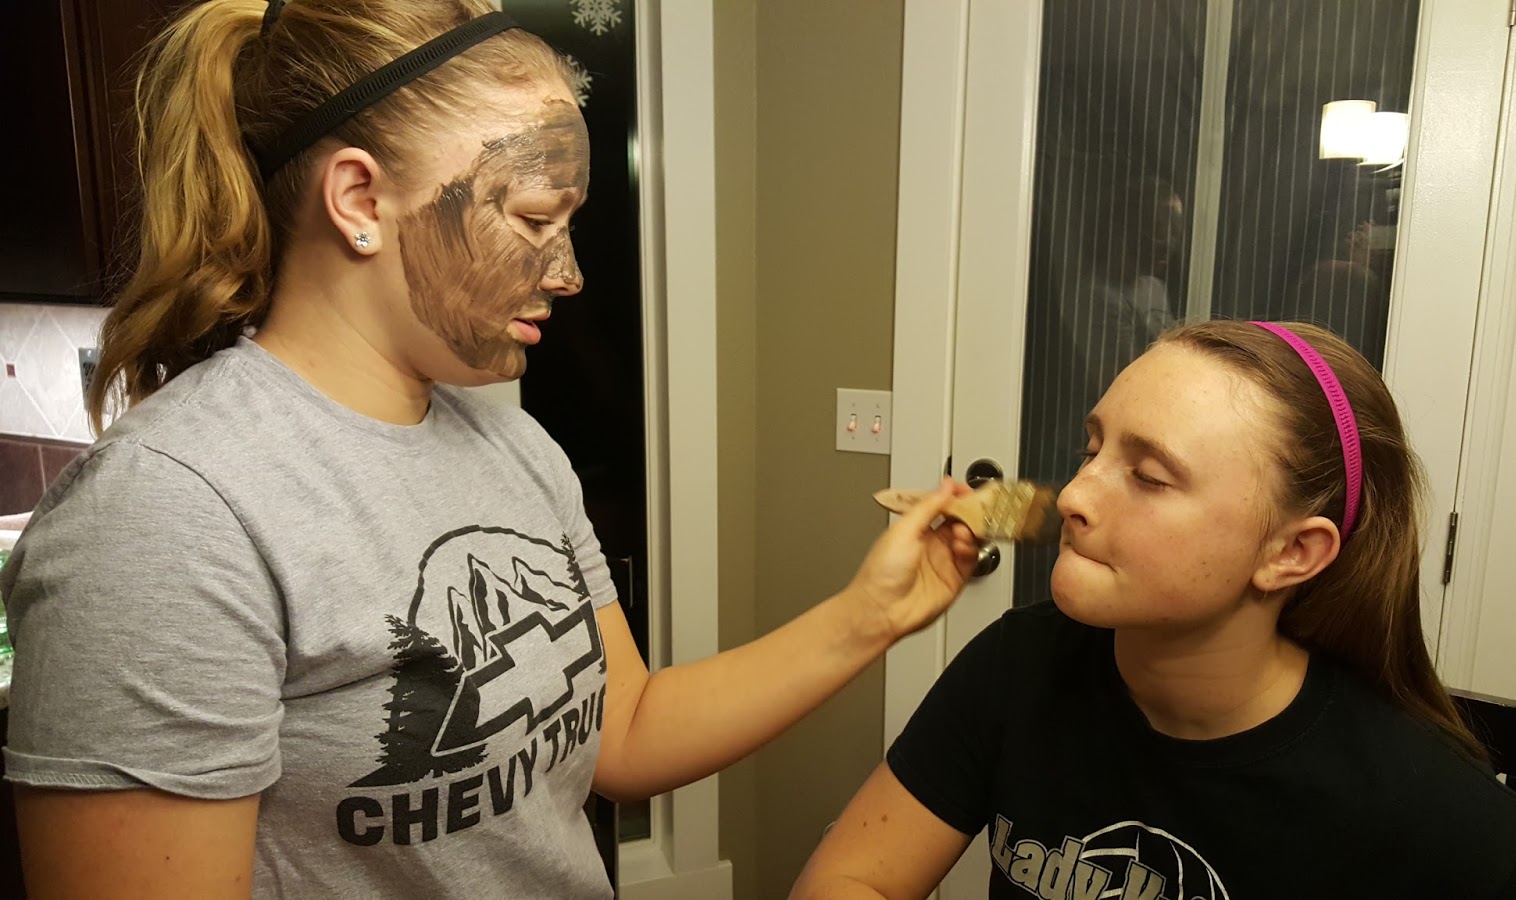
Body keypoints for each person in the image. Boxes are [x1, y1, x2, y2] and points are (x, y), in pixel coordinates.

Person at [0, 2, 977, 897]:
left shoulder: (514, 444)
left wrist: (872, 613)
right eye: (533, 219)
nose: (569, 272)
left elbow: (627, 731)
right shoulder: (165, 517)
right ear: (358, 199)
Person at [791, 320, 1516, 898]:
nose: (1072, 495)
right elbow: (854, 875)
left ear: (1292, 553)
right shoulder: (1022, 664)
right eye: (1092, 448)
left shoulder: (1418, 802)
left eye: (1149, 477)